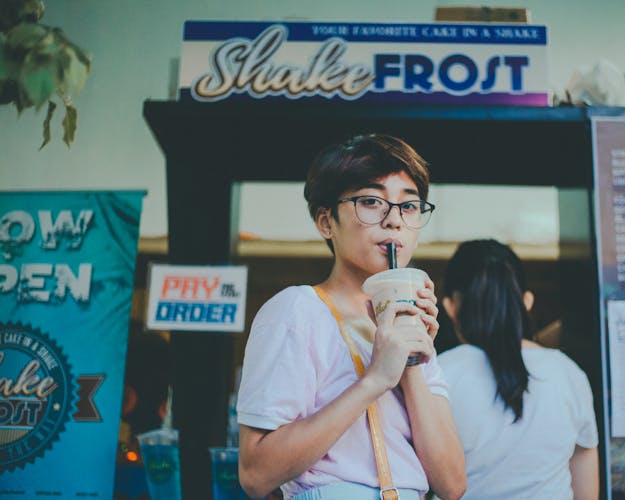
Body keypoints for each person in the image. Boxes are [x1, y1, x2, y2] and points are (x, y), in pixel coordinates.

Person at [237, 134, 466, 500]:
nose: (394, 221)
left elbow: (452, 485)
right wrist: (375, 378)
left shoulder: (413, 328)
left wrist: (409, 362)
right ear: (326, 222)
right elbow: (255, 473)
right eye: (372, 202)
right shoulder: (298, 310)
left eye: (409, 206)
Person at [438, 239, 599, 500]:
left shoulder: (438, 374)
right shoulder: (568, 373)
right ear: (526, 301)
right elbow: (585, 482)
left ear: (450, 306)